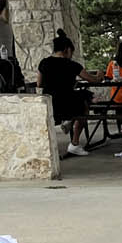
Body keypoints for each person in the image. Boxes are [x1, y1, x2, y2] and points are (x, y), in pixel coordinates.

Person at [37, 29, 100, 157]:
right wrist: (100, 75)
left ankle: (68, 121)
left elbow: (39, 84)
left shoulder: (44, 63)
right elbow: (92, 80)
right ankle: (74, 143)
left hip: (50, 105)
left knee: (79, 98)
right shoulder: (72, 65)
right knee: (84, 102)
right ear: (67, 49)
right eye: (72, 52)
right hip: (67, 104)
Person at [104, 39, 122, 134]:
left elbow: (107, 78)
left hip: (117, 96)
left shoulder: (113, 64)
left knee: (119, 108)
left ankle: (121, 128)